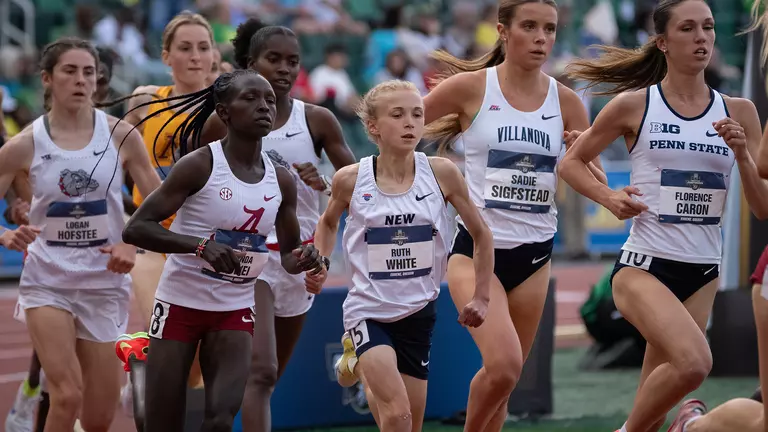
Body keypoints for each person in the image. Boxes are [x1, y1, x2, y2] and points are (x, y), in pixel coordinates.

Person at [558, 1, 768, 431]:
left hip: (703, 272)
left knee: (655, 407)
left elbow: (762, 206)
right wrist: (610, 198)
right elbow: (571, 164)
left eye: (708, 28)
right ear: (663, 42)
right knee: (694, 364)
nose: (702, 38)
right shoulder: (634, 105)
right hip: (645, 266)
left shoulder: (739, 110)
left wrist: (743, 154)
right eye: (688, 29)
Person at [412, 0, 607, 430]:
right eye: (531, 27)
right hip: (477, 252)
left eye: (550, 29)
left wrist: (584, 156)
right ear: (503, 31)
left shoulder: (568, 102)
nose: (542, 38)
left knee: (507, 382)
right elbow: (404, 125)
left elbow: (591, 175)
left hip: (536, 256)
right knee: (502, 366)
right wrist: (410, 184)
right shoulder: (471, 89)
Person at [122, 69, 327, 431]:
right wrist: (199, 246)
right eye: (250, 98)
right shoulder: (200, 165)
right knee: (161, 422)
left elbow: (289, 257)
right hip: (180, 305)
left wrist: (308, 258)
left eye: (269, 99)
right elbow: (136, 228)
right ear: (225, 112)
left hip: (234, 309)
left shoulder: (281, 180)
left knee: (219, 419)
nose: (264, 106)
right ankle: (141, 361)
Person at [200, 23, 357, 430]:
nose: (284, 69)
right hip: (246, 257)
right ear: (252, 64)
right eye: (274, 59)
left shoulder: (317, 121)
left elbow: (359, 187)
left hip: (298, 259)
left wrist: (322, 180)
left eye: (293, 61)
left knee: (267, 381)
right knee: (262, 371)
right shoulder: (223, 123)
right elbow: (200, 188)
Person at [0, 36, 162, 432]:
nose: (80, 80)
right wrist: (4, 235)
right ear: (47, 79)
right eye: (69, 71)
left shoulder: (122, 135)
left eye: (88, 72)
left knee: (98, 418)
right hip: (47, 281)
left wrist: (131, 241)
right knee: (66, 394)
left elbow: (160, 203)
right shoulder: (23, 144)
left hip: (104, 284)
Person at [314, 79, 492, 431]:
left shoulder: (441, 173)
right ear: (373, 127)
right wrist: (320, 261)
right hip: (369, 311)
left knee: (406, 424)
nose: (410, 122)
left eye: (417, 114)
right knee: (399, 415)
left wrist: (482, 296)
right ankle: (362, 354)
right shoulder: (351, 180)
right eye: (398, 115)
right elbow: (328, 223)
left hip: (418, 312)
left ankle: (361, 367)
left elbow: (482, 234)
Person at [114, 12, 215, 408]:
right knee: (170, 341)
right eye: (184, 48)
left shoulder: (229, 106)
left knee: (200, 361)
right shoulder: (145, 100)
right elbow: (117, 164)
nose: (194, 57)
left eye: (203, 48)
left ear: (213, 56)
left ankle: (146, 375)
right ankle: (148, 380)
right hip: (154, 241)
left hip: (209, 243)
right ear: (166, 56)